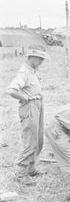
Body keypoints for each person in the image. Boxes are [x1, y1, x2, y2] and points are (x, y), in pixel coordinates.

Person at [7, 45, 50, 186]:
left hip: (38, 104)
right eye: (40, 59)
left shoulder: (32, 71)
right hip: (30, 106)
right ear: (32, 57)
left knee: (38, 139)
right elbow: (12, 90)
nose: (42, 62)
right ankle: (21, 172)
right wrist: (25, 98)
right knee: (30, 140)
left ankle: (31, 168)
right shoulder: (24, 72)